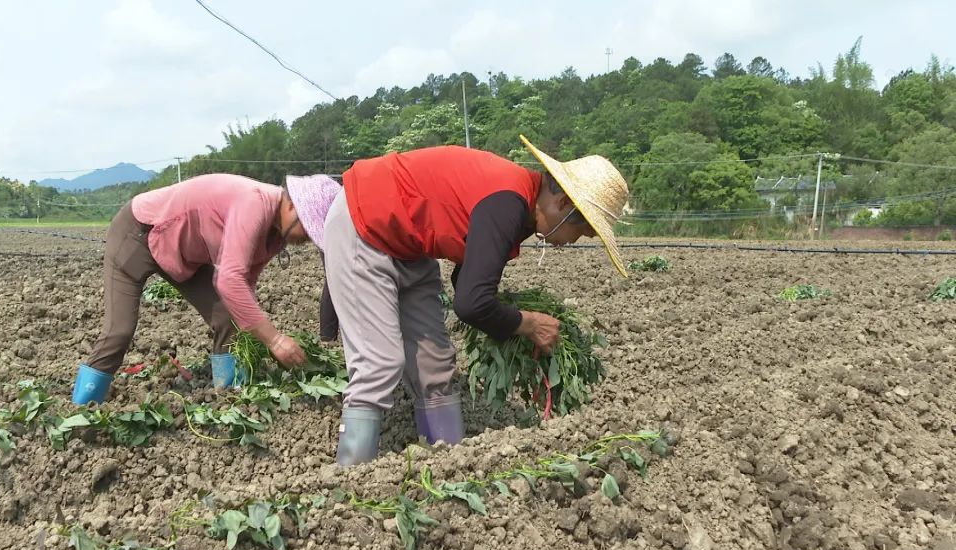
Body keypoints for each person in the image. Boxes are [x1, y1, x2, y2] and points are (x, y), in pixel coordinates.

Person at [323, 135, 630, 466]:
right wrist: (526, 323)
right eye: (581, 233)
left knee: (435, 364)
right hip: (365, 223)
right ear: (564, 206)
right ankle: (349, 478)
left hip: (411, 243)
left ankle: (449, 465)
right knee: (379, 362)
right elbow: (470, 303)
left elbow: (466, 281)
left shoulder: (522, 207)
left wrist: (505, 312)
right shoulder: (508, 202)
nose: (572, 242)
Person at [71, 173, 341, 405]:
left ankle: (229, 397)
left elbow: (244, 283)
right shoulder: (255, 203)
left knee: (227, 316)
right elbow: (230, 280)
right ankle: (82, 410)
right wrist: (275, 340)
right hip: (140, 233)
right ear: (292, 206)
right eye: (307, 232)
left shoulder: (277, 234)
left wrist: (257, 334)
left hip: (184, 254)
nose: (305, 240)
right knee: (120, 330)